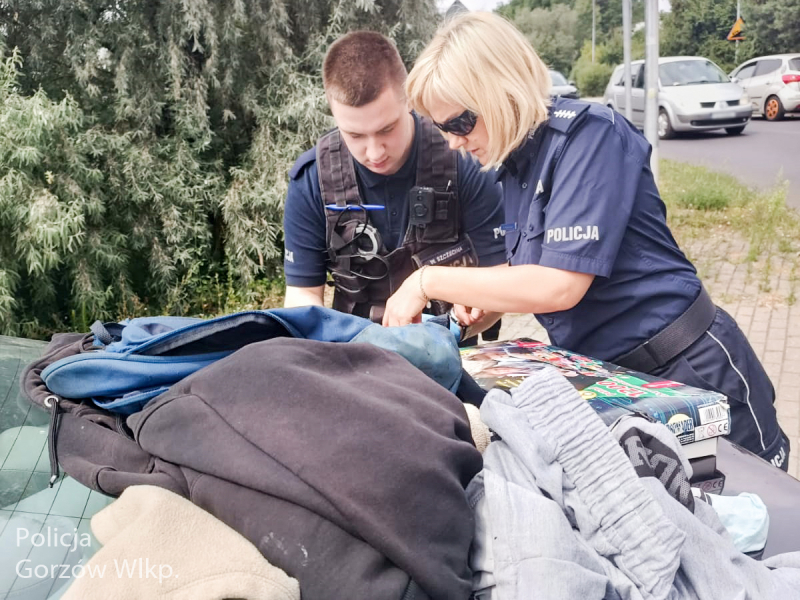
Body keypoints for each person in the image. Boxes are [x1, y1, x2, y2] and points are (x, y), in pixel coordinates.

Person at [384, 11, 789, 469]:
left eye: (460, 123)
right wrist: (488, 304)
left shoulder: (589, 137)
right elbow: (534, 271)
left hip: (691, 371)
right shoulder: (515, 170)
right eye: (442, 128)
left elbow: (559, 285)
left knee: (757, 524)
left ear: (500, 90)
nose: (454, 142)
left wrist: (426, 282)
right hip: (620, 385)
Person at [282, 30, 506, 335]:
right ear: (333, 114)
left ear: (409, 101)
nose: (374, 153)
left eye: (387, 129)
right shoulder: (311, 181)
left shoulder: (465, 160)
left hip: (450, 349)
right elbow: (303, 296)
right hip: (354, 357)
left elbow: (501, 280)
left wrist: (466, 320)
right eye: (355, 135)